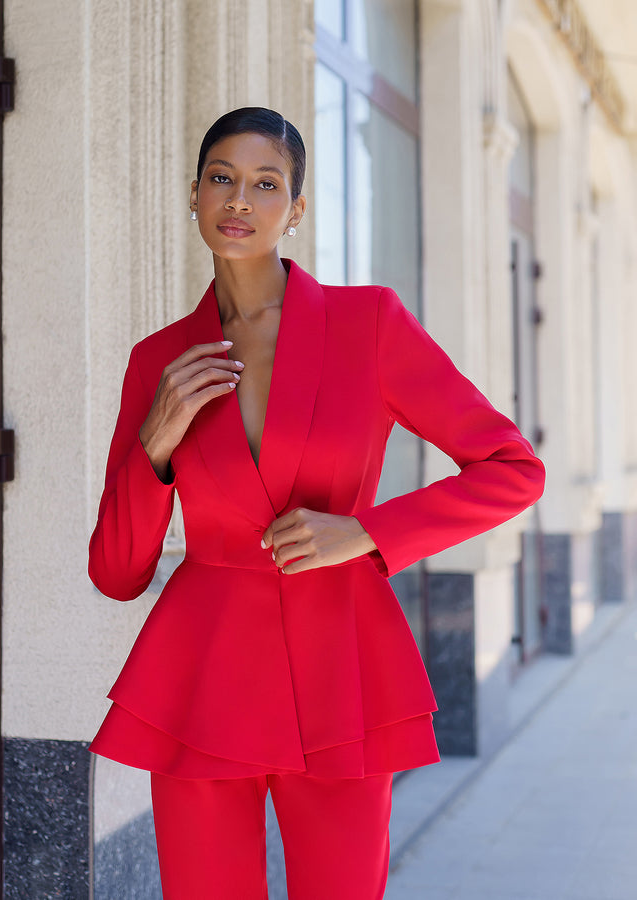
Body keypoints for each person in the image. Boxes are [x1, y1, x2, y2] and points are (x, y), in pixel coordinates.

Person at [88, 107, 545, 900]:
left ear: (295, 210)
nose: (240, 200)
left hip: (343, 662)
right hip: (203, 674)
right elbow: (118, 573)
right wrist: (154, 445)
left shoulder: (367, 326)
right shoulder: (159, 359)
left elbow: (512, 467)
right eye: (222, 179)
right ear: (193, 194)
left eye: (266, 184)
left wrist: (365, 533)